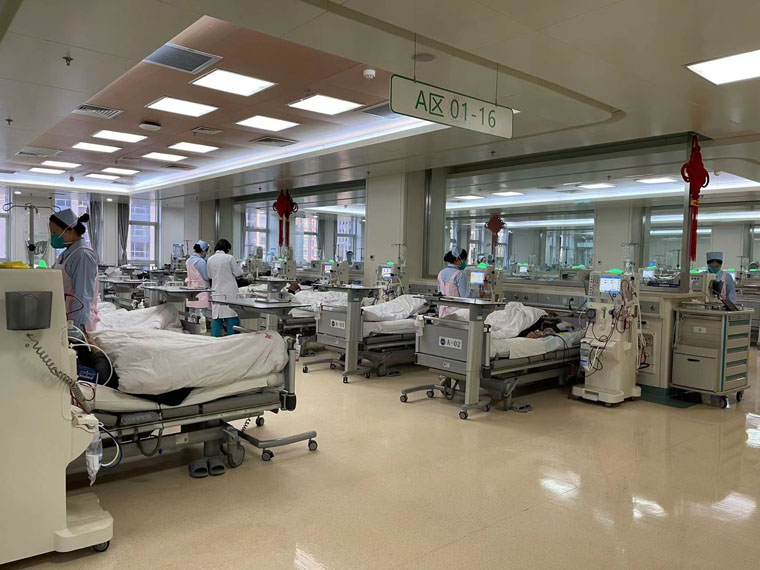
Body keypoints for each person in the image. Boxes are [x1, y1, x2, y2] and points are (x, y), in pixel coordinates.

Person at [49, 209, 99, 333]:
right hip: (65, 317)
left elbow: (83, 297)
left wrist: (75, 330)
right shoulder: (65, 254)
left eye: (54, 232)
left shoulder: (83, 255)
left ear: (69, 230)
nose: (53, 236)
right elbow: (51, 277)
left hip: (78, 322)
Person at [207, 238, 243, 337]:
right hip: (229, 291)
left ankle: (214, 339)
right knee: (231, 316)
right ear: (227, 248)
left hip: (216, 290)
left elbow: (209, 275)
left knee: (217, 317)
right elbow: (238, 273)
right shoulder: (229, 258)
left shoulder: (210, 259)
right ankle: (232, 339)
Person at [437, 247, 474, 317]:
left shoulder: (441, 273)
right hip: (457, 313)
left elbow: (439, 294)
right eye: (464, 260)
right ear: (457, 259)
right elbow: (465, 296)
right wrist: (477, 295)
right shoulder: (460, 274)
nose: (465, 262)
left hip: (442, 312)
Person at [185, 240, 211, 315]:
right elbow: (206, 277)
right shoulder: (200, 261)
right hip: (201, 289)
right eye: (206, 252)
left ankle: (190, 323)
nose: (206, 254)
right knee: (201, 313)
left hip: (191, 289)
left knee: (192, 312)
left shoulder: (188, 261)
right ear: (203, 251)